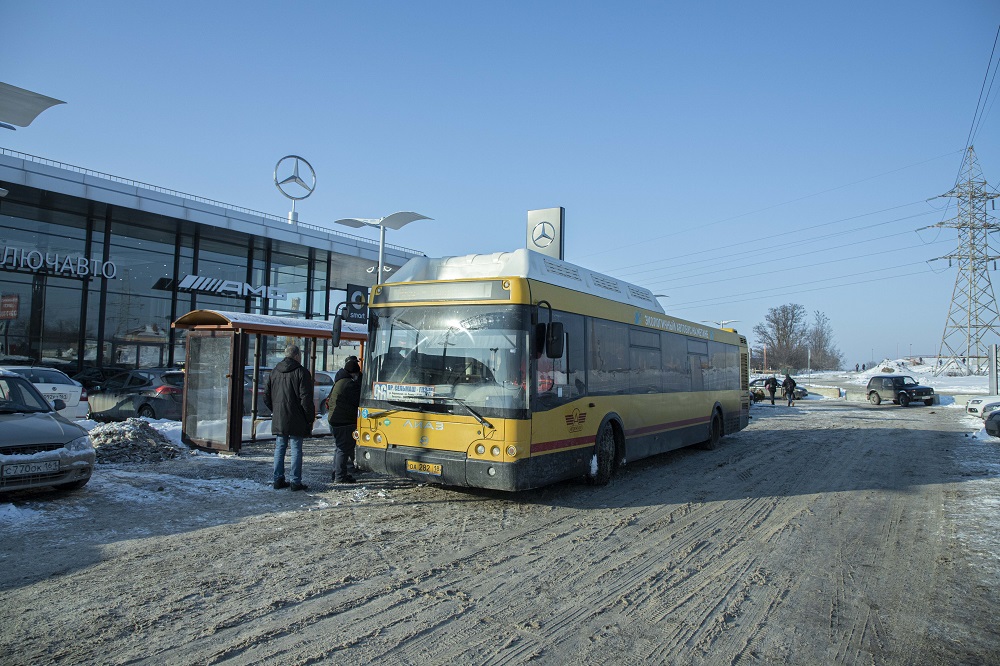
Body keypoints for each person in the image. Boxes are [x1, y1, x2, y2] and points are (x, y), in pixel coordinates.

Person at [264, 345, 315, 491]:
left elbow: (266, 396)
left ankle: (278, 480)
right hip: (297, 418)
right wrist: (309, 417)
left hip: (279, 417)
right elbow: (306, 398)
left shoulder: (274, 371)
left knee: (280, 448)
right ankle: (295, 481)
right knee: (296, 449)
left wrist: (276, 409)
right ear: (297, 355)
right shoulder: (302, 372)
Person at [327, 358, 362, 484]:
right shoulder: (349, 384)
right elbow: (357, 400)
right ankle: (340, 477)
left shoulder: (339, 381)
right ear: (353, 373)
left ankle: (337, 473)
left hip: (334, 420)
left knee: (339, 448)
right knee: (343, 448)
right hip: (344, 422)